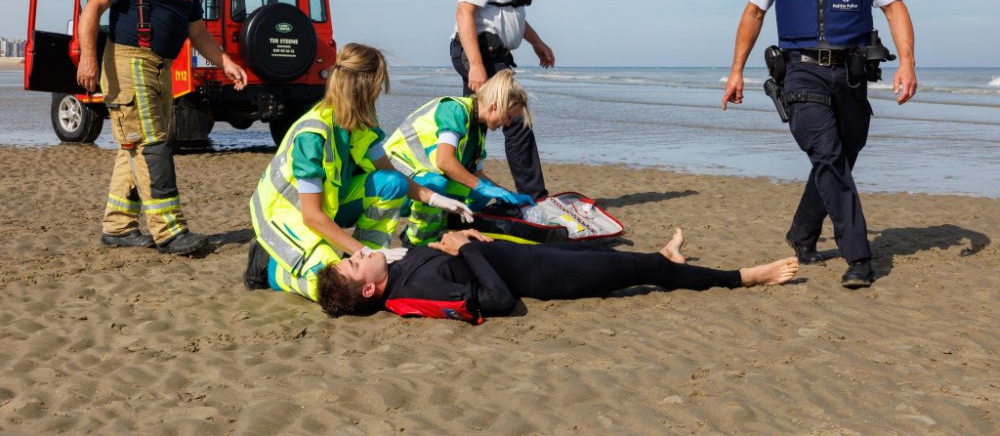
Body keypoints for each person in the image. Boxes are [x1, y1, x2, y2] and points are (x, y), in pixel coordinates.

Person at [721, 0, 917, 288]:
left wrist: (908, 63)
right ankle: (859, 257)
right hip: (800, 71)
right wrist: (736, 70)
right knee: (827, 156)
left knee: (842, 156)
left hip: (851, 75)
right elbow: (754, 13)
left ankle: (803, 232)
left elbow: (894, 7)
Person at [76, 0, 249, 256]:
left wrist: (226, 63)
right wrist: (88, 59)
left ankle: (118, 227)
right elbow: (92, 9)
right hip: (127, 60)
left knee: (135, 145)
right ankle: (169, 231)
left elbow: (197, 31)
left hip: (162, 66)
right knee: (152, 145)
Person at [244, 43, 474, 303]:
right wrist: (361, 249)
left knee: (392, 184)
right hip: (288, 219)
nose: (378, 95)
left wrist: (434, 198)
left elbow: (391, 175)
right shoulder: (312, 135)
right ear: (364, 88)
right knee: (330, 285)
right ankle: (267, 265)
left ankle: (367, 264)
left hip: (328, 208)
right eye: (377, 88)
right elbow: (311, 216)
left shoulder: (359, 123)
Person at [314, 228, 799, 322]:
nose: (360, 253)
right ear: (371, 288)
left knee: (621, 257)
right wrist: (465, 247)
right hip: (546, 280)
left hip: (536, 259)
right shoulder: (417, 289)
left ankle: (667, 254)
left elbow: (422, 250)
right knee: (646, 272)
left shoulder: (400, 270)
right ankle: (747, 276)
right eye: (355, 262)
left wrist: (447, 240)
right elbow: (499, 299)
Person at [450, 0, 555, 201]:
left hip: (497, 54)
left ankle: (463, 188)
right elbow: (464, 12)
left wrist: (537, 43)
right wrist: (477, 65)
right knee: (515, 119)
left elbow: (509, 13)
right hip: (480, 53)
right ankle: (535, 197)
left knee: (475, 125)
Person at [383, 70, 536, 246]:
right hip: (396, 180)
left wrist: (507, 194)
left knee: (478, 193)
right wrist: (481, 186)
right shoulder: (455, 110)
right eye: (508, 117)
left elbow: (478, 177)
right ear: (496, 105)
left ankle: (445, 229)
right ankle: (416, 242)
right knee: (438, 183)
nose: (507, 124)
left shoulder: (477, 131)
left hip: (420, 181)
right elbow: (444, 161)